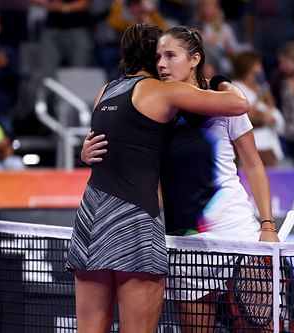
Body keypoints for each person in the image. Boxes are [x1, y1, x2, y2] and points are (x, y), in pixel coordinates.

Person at [80, 25, 278, 333]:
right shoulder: (157, 107)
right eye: (158, 56)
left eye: (171, 56)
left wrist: (267, 225)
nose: (162, 64)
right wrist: (87, 148)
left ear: (194, 59)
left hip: (235, 235)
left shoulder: (220, 101)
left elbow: (253, 165)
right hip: (182, 242)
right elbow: (122, 142)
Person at [232, 50, 285, 166]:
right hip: (252, 146)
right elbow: (243, 113)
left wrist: (265, 95)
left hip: (269, 145)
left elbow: (272, 109)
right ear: (248, 68)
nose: (260, 69)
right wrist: (261, 117)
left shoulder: (262, 87)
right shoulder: (235, 87)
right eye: (257, 66)